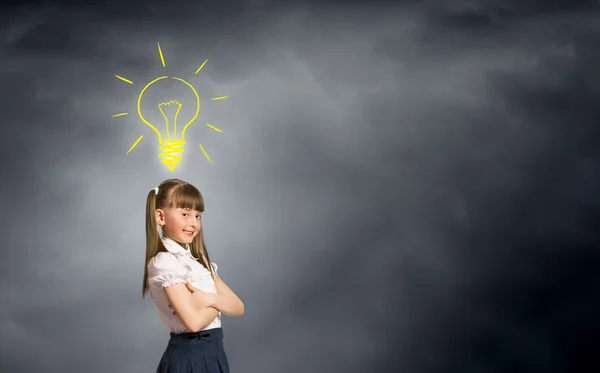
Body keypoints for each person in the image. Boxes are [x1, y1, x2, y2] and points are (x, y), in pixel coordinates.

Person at [142, 178, 244, 373]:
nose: (193, 223)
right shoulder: (165, 262)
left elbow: (238, 307)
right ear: (161, 217)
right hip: (190, 357)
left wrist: (207, 299)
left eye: (198, 216)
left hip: (214, 352)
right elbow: (194, 323)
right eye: (185, 214)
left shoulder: (200, 261)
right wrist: (221, 302)